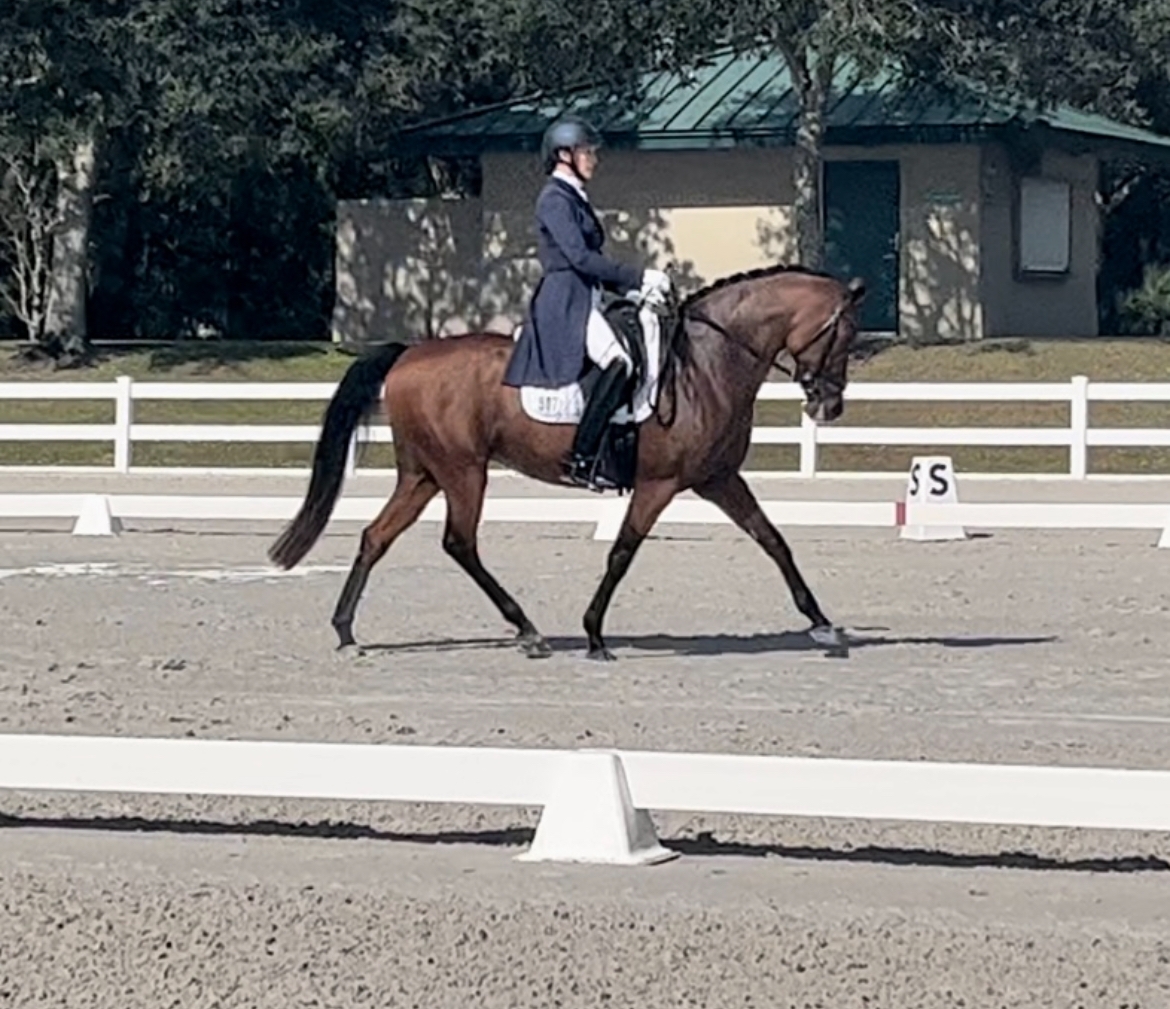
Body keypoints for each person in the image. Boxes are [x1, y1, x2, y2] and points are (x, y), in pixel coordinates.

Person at [502, 114, 673, 490]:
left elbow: (589, 262)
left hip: (585, 295)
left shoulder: (573, 197)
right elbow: (579, 258)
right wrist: (638, 276)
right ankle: (582, 457)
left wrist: (626, 291)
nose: (594, 159)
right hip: (565, 303)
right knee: (619, 361)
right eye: (587, 152)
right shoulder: (554, 199)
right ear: (564, 155)